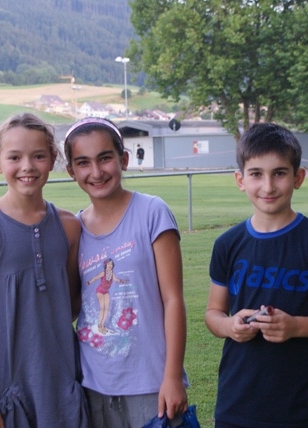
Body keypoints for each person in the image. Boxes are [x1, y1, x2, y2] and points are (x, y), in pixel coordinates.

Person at [205, 123, 308, 428]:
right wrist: (230, 326)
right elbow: (213, 313)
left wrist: (296, 326)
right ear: (240, 180)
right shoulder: (227, 244)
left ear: (297, 177)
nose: (268, 186)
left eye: (279, 173)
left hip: (297, 409)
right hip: (236, 406)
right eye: (256, 174)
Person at [0, 112, 89, 427]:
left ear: (53, 159)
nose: (27, 166)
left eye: (38, 156)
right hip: (10, 390)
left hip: (63, 386)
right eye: (14, 157)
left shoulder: (69, 226)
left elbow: (71, 305)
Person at [64, 117, 188, 427]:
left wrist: (172, 376)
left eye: (105, 158)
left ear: (124, 159)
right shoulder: (75, 229)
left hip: (151, 382)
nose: (96, 172)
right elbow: (73, 306)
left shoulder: (152, 212)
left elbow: (173, 299)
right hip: (94, 384)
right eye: (83, 162)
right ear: (71, 171)